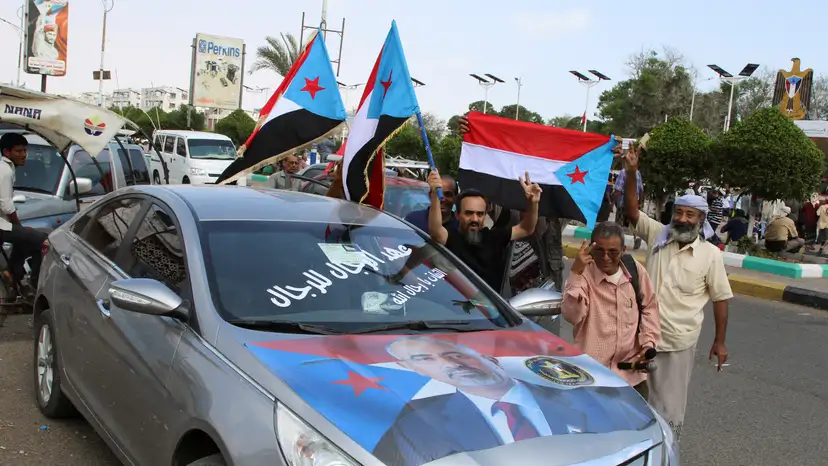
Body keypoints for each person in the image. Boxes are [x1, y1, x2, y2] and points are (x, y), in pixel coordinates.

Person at [373, 337, 653, 466]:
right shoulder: (416, 427)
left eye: (456, 354)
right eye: (424, 360)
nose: (449, 364)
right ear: (416, 371)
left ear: (490, 358)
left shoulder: (580, 392)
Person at [623, 145, 732, 442]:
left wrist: (719, 342)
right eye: (679, 212)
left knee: (668, 409)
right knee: (630, 396)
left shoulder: (710, 255)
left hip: (677, 344)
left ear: (700, 220)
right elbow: (632, 211)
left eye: (690, 214)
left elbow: (721, 299)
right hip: (638, 338)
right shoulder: (658, 234)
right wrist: (632, 173)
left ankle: (664, 454)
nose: (683, 219)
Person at [562, 223, 660, 398]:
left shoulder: (635, 271)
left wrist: (648, 344)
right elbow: (572, 315)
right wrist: (576, 272)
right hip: (593, 378)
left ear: (623, 249)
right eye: (599, 251)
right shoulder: (582, 275)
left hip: (631, 376)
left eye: (612, 252)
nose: (606, 258)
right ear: (591, 248)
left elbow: (649, 308)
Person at [425, 169, 541, 291]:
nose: (475, 219)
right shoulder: (451, 238)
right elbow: (436, 231)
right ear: (457, 215)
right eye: (469, 213)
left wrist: (533, 203)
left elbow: (526, 228)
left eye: (480, 214)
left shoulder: (494, 237)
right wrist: (435, 195)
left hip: (490, 307)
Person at [0, 134, 49, 293]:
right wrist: (19, 227)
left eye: (24, 151)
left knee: (24, 238)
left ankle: (12, 275)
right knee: (43, 241)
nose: (23, 155)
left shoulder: (6, 168)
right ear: (7, 152)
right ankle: (36, 285)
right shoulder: (5, 171)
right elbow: (7, 206)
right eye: (18, 151)